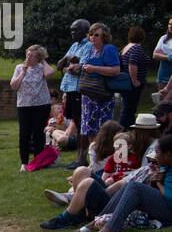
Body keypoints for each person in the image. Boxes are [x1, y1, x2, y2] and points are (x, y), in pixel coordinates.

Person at [85, 134, 172, 232]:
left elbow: (170, 197)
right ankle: (97, 221)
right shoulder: (165, 165)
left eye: (158, 153)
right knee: (129, 186)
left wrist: (158, 183)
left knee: (134, 187)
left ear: (168, 155)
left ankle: (111, 228)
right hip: (162, 204)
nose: (155, 157)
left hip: (169, 211)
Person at [75, 23, 122, 168]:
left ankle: (102, 161)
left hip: (102, 97)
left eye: (97, 35)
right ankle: (95, 159)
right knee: (88, 128)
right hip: (88, 97)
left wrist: (94, 68)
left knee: (102, 131)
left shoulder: (108, 49)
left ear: (105, 36)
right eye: (91, 34)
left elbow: (115, 70)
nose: (93, 37)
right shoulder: (91, 50)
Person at [11, 45, 55, 170]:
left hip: (41, 105)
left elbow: (50, 73)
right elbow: (14, 86)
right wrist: (23, 73)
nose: (28, 57)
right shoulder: (19, 68)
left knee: (38, 133)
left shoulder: (42, 68)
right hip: (24, 105)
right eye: (28, 54)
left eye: (32, 55)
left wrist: (43, 61)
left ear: (38, 58)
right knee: (24, 133)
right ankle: (24, 162)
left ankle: (38, 160)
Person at [56, 18, 92, 166]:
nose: (72, 33)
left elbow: (80, 69)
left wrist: (70, 64)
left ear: (85, 31)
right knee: (76, 123)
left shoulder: (88, 46)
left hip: (79, 90)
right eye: (71, 30)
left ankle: (82, 159)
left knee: (81, 123)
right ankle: (78, 158)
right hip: (70, 89)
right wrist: (70, 59)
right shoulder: (74, 46)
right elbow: (60, 65)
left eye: (76, 30)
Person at [118, 26, 150, 129]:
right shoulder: (136, 48)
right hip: (132, 85)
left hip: (125, 83)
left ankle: (132, 130)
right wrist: (134, 80)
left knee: (130, 109)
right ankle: (119, 131)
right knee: (128, 109)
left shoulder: (126, 47)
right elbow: (132, 65)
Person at [154, 17, 172, 94]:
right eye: (170, 24)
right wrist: (168, 57)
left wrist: (162, 53)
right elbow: (155, 55)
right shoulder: (163, 38)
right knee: (162, 100)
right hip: (163, 74)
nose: (171, 26)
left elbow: (159, 54)